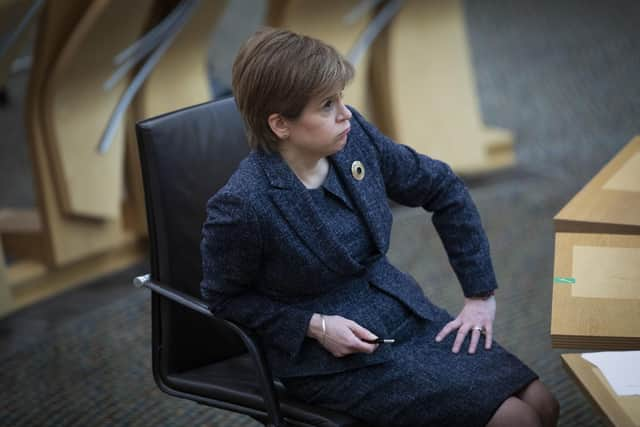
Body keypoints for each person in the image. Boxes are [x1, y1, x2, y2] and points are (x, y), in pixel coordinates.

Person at [200, 27, 559, 427]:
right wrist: (315, 327)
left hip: (400, 310)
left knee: (543, 404)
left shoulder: (353, 139)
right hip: (331, 357)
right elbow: (226, 300)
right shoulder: (243, 205)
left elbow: (442, 187)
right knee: (516, 421)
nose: (345, 114)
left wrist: (479, 294)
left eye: (340, 98)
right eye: (326, 106)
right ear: (281, 125)